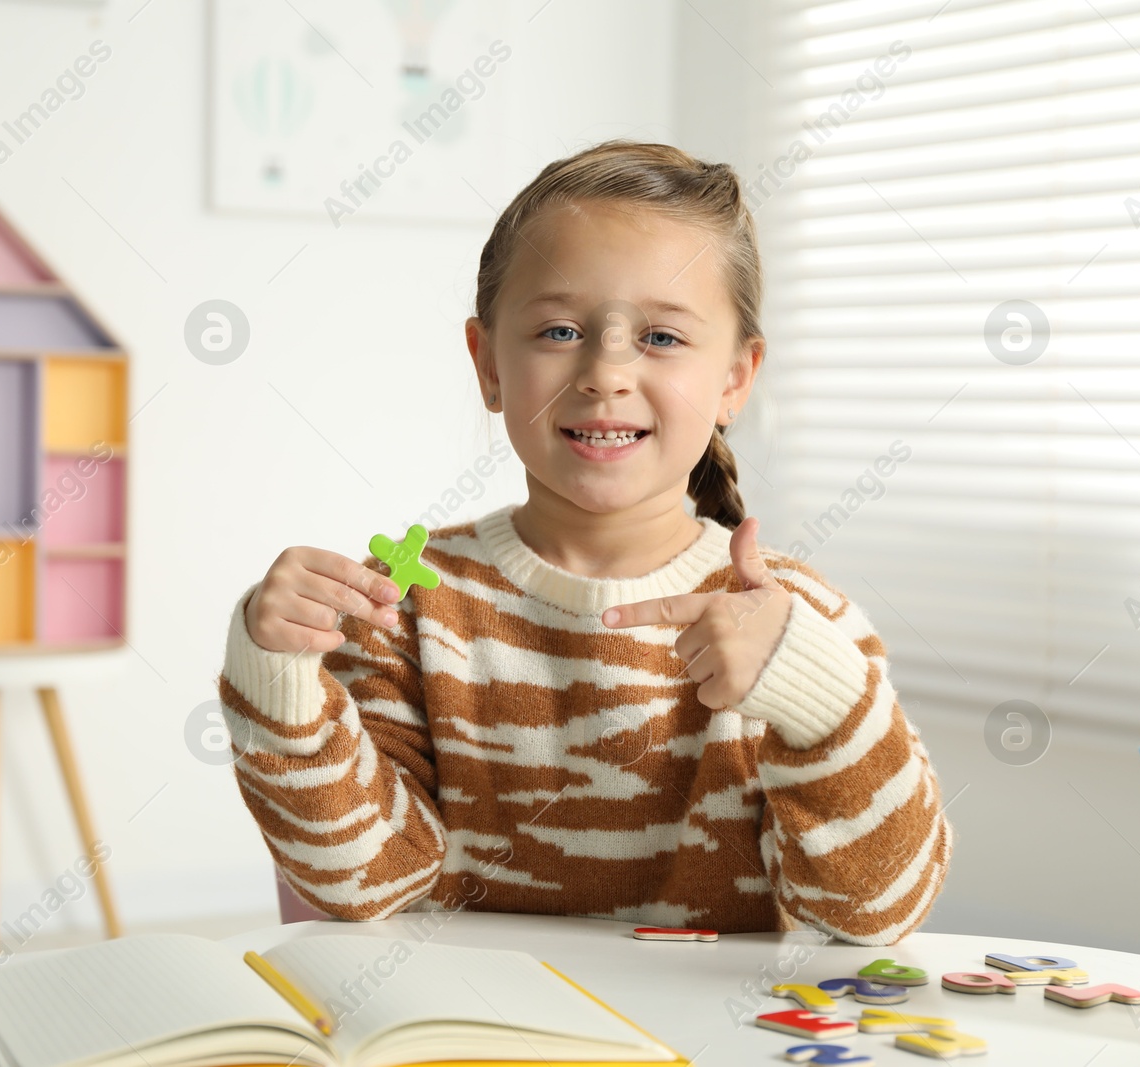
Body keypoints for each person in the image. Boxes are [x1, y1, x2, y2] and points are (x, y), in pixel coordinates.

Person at [215, 139, 951, 945]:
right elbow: (363, 880)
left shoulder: (794, 622)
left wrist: (822, 697)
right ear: (488, 364)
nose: (605, 370)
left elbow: (877, 912)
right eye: (560, 330)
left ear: (735, 379)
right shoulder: (407, 610)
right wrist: (276, 669)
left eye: (663, 338)